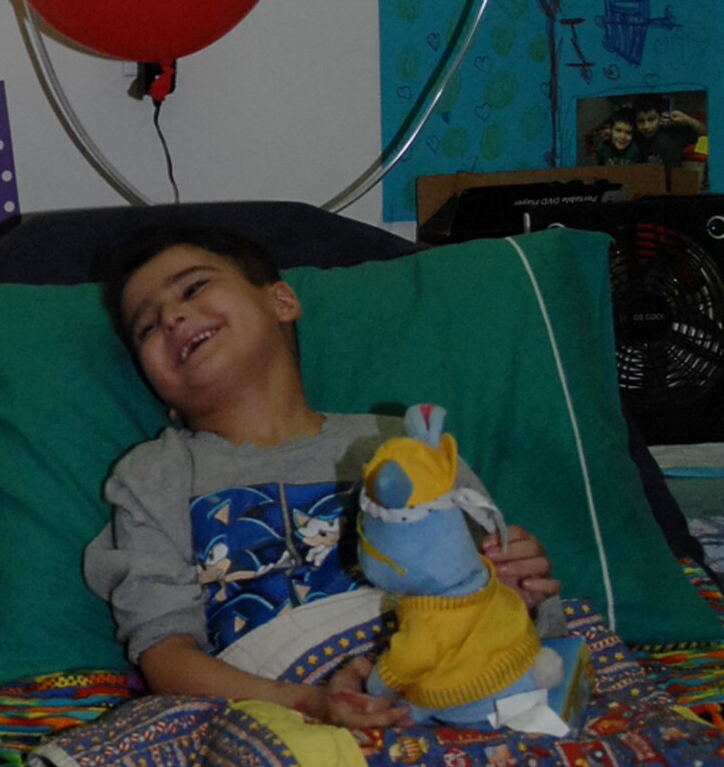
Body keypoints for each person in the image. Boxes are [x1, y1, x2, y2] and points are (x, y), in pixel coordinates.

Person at [84, 227, 560, 729]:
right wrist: (308, 705)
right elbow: (166, 655)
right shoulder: (155, 476)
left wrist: (517, 582)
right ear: (163, 395)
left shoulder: (398, 444)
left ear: (282, 301)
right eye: (147, 329)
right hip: (289, 712)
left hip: (458, 682)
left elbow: (496, 605)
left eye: (193, 288)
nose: (171, 317)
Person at [633, 96, 706, 170]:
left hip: (673, 180)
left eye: (651, 119)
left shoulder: (673, 132)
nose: (646, 126)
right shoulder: (633, 138)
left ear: (660, 117)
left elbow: (705, 132)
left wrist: (686, 119)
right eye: (641, 121)